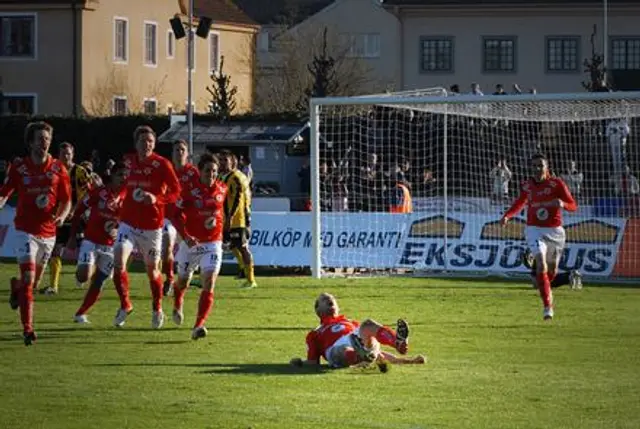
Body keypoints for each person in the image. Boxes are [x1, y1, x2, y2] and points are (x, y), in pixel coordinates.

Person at [0, 122, 72, 345]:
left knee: (33, 283)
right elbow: (5, 192)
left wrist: (61, 216)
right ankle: (28, 329)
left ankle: (17, 287)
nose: (45, 142)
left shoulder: (59, 168)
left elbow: (66, 200)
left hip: (48, 233)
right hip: (24, 231)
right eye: (40, 138)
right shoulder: (20, 167)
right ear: (30, 142)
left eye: (47, 138)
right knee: (30, 278)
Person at [111, 125, 181, 329]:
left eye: (150, 141)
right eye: (142, 141)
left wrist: (157, 199)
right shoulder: (128, 161)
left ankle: (157, 308)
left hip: (152, 227)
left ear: (154, 143)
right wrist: (118, 197)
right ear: (136, 143)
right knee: (118, 259)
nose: (146, 144)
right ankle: (125, 305)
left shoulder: (163, 164)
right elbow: (125, 185)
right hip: (128, 223)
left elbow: (176, 192)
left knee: (152, 272)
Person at [500, 153, 577, 320]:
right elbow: (520, 203)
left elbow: (573, 205)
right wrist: (508, 215)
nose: (537, 169)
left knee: (551, 272)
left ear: (546, 167)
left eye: (540, 165)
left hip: (555, 232)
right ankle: (548, 307)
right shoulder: (527, 186)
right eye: (534, 166)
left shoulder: (557, 184)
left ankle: (542, 284)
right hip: (534, 229)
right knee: (541, 263)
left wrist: (562, 204)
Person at [169, 153, 228, 340]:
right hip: (191, 244)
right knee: (183, 281)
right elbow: (175, 214)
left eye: (215, 171)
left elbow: (223, 212)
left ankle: (198, 325)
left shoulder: (222, 189)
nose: (211, 174)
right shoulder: (188, 191)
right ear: (200, 172)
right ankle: (178, 300)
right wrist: (185, 237)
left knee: (209, 281)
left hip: (213, 243)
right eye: (208, 171)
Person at [290, 293, 426, 370]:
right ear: (318, 311)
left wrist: (407, 360)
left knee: (368, 325)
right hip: (336, 348)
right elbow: (313, 362)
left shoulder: (350, 322)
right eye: (324, 299)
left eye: (332, 298)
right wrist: (300, 362)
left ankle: (397, 342)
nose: (329, 298)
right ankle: (362, 357)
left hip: (358, 341)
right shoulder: (315, 333)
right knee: (345, 349)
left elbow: (379, 352)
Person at [67, 161, 127, 323]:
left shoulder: (127, 196)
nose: (124, 178)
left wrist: (119, 230)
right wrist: (72, 237)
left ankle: (80, 313)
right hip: (91, 241)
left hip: (110, 246)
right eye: (120, 174)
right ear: (113, 176)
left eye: (126, 175)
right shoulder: (98, 192)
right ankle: (82, 272)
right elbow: (79, 210)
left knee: (99, 281)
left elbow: (130, 221)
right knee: (83, 276)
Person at [40, 142, 93, 295]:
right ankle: (53, 286)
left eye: (68, 154)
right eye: (63, 154)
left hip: (78, 217)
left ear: (73, 154)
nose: (66, 157)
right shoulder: (53, 170)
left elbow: (88, 194)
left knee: (86, 248)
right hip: (59, 217)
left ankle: (86, 277)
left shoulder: (80, 172)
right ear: (59, 155)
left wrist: (75, 210)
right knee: (56, 251)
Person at [161, 139, 200, 297]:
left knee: (189, 260)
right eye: (177, 150)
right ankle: (169, 279)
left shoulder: (193, 172)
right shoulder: (166, 171)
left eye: (182, 150)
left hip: (187, 220)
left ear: (187, 154)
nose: (180, 153)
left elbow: (200, 192)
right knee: (166, 247)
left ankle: (190, 277)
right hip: (169, 218)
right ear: (172, 153)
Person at [218, 150, 257, 288]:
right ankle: (242, 270)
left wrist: (230, 217)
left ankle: (251, 280)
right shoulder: (225, 177)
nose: (221, 163)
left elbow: (238, 199)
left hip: (237, 220)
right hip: (226, 219)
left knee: (242, 247)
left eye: (225, 160)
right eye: (220, 160)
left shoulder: (235, 178)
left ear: (232, 162)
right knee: (231, 246)